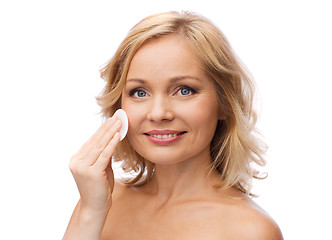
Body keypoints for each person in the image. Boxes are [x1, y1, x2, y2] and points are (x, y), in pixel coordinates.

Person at [63, 11, 283, 240]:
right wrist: (91, 213)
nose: (158, 113)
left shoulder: (250, 230)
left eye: (184, 90)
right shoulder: (99, 203)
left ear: (224, 104)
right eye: (139, 92)